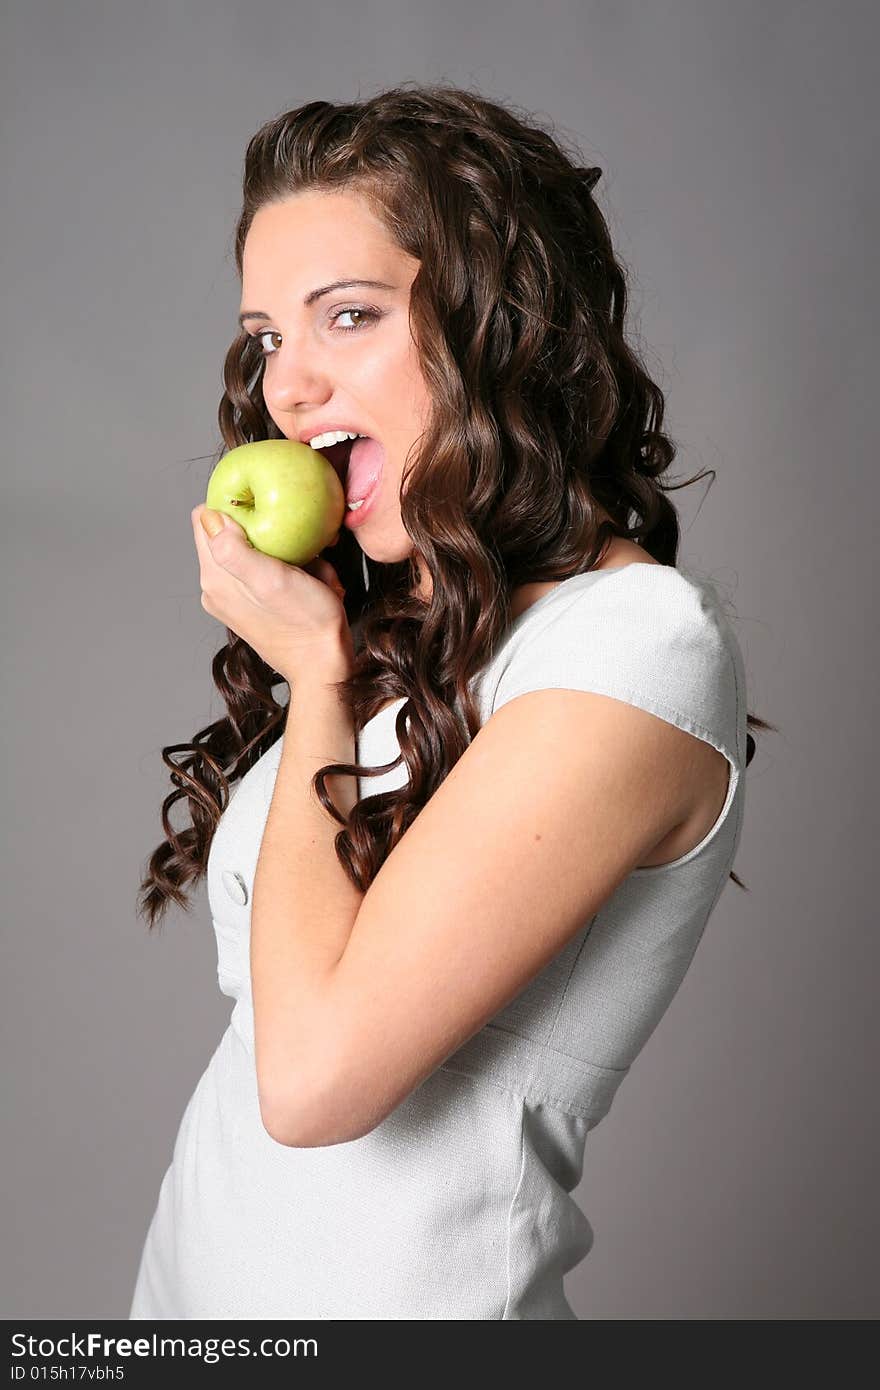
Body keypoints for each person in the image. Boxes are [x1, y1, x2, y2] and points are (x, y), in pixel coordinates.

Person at [129, 83, 771, 1320]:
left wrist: (316, 676)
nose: (289, 387)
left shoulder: (638, 646)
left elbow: (314, 1084)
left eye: (349, 316)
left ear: (498, 328)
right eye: (268, 337)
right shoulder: (414, 636)